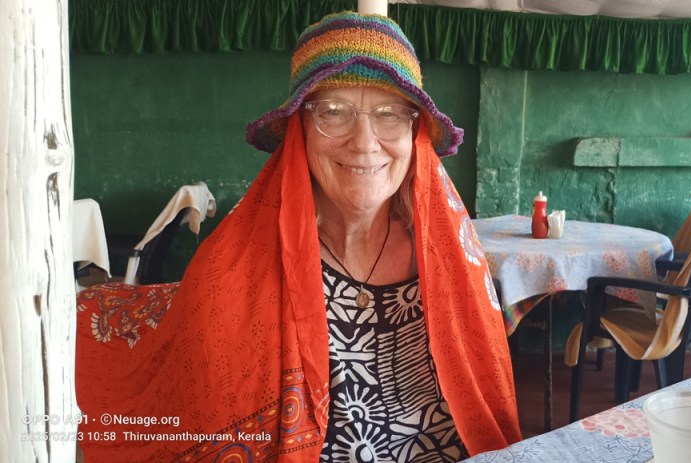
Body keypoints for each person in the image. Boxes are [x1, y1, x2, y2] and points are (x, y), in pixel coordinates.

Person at [75, 11, 521, 462]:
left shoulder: (453, 264)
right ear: (299, 132)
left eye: (390, 114)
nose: (364, 142)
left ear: (415, 133)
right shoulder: (236, 268)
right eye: (334, 112)